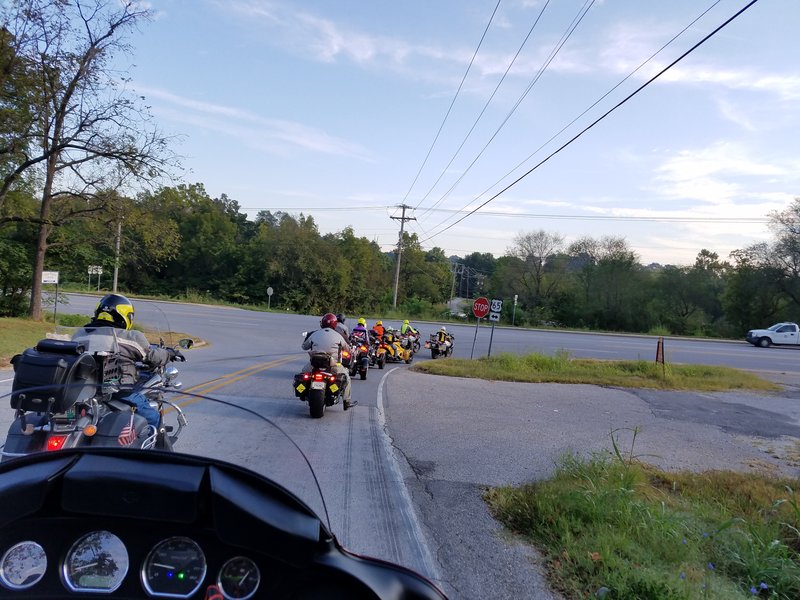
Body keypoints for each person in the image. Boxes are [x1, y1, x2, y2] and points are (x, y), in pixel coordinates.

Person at [71, 294, 183, 428]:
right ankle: (157, 447)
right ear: (126, 316)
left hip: (83, 393)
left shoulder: (79, 334)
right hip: (118, 392)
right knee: (154, 419)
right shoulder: (129, 337)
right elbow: (153, 357)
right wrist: (169, 353)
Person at [301, 313, 355, 409]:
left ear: (322, 323)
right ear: (335, 324)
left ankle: (302, 392)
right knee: (347, 379)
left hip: (314, 365)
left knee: (303, 374)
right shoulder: (339, 335)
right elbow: (348, 349)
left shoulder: (315, 333)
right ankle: (346, 402)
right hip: (332, 366)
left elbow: (304, 347)